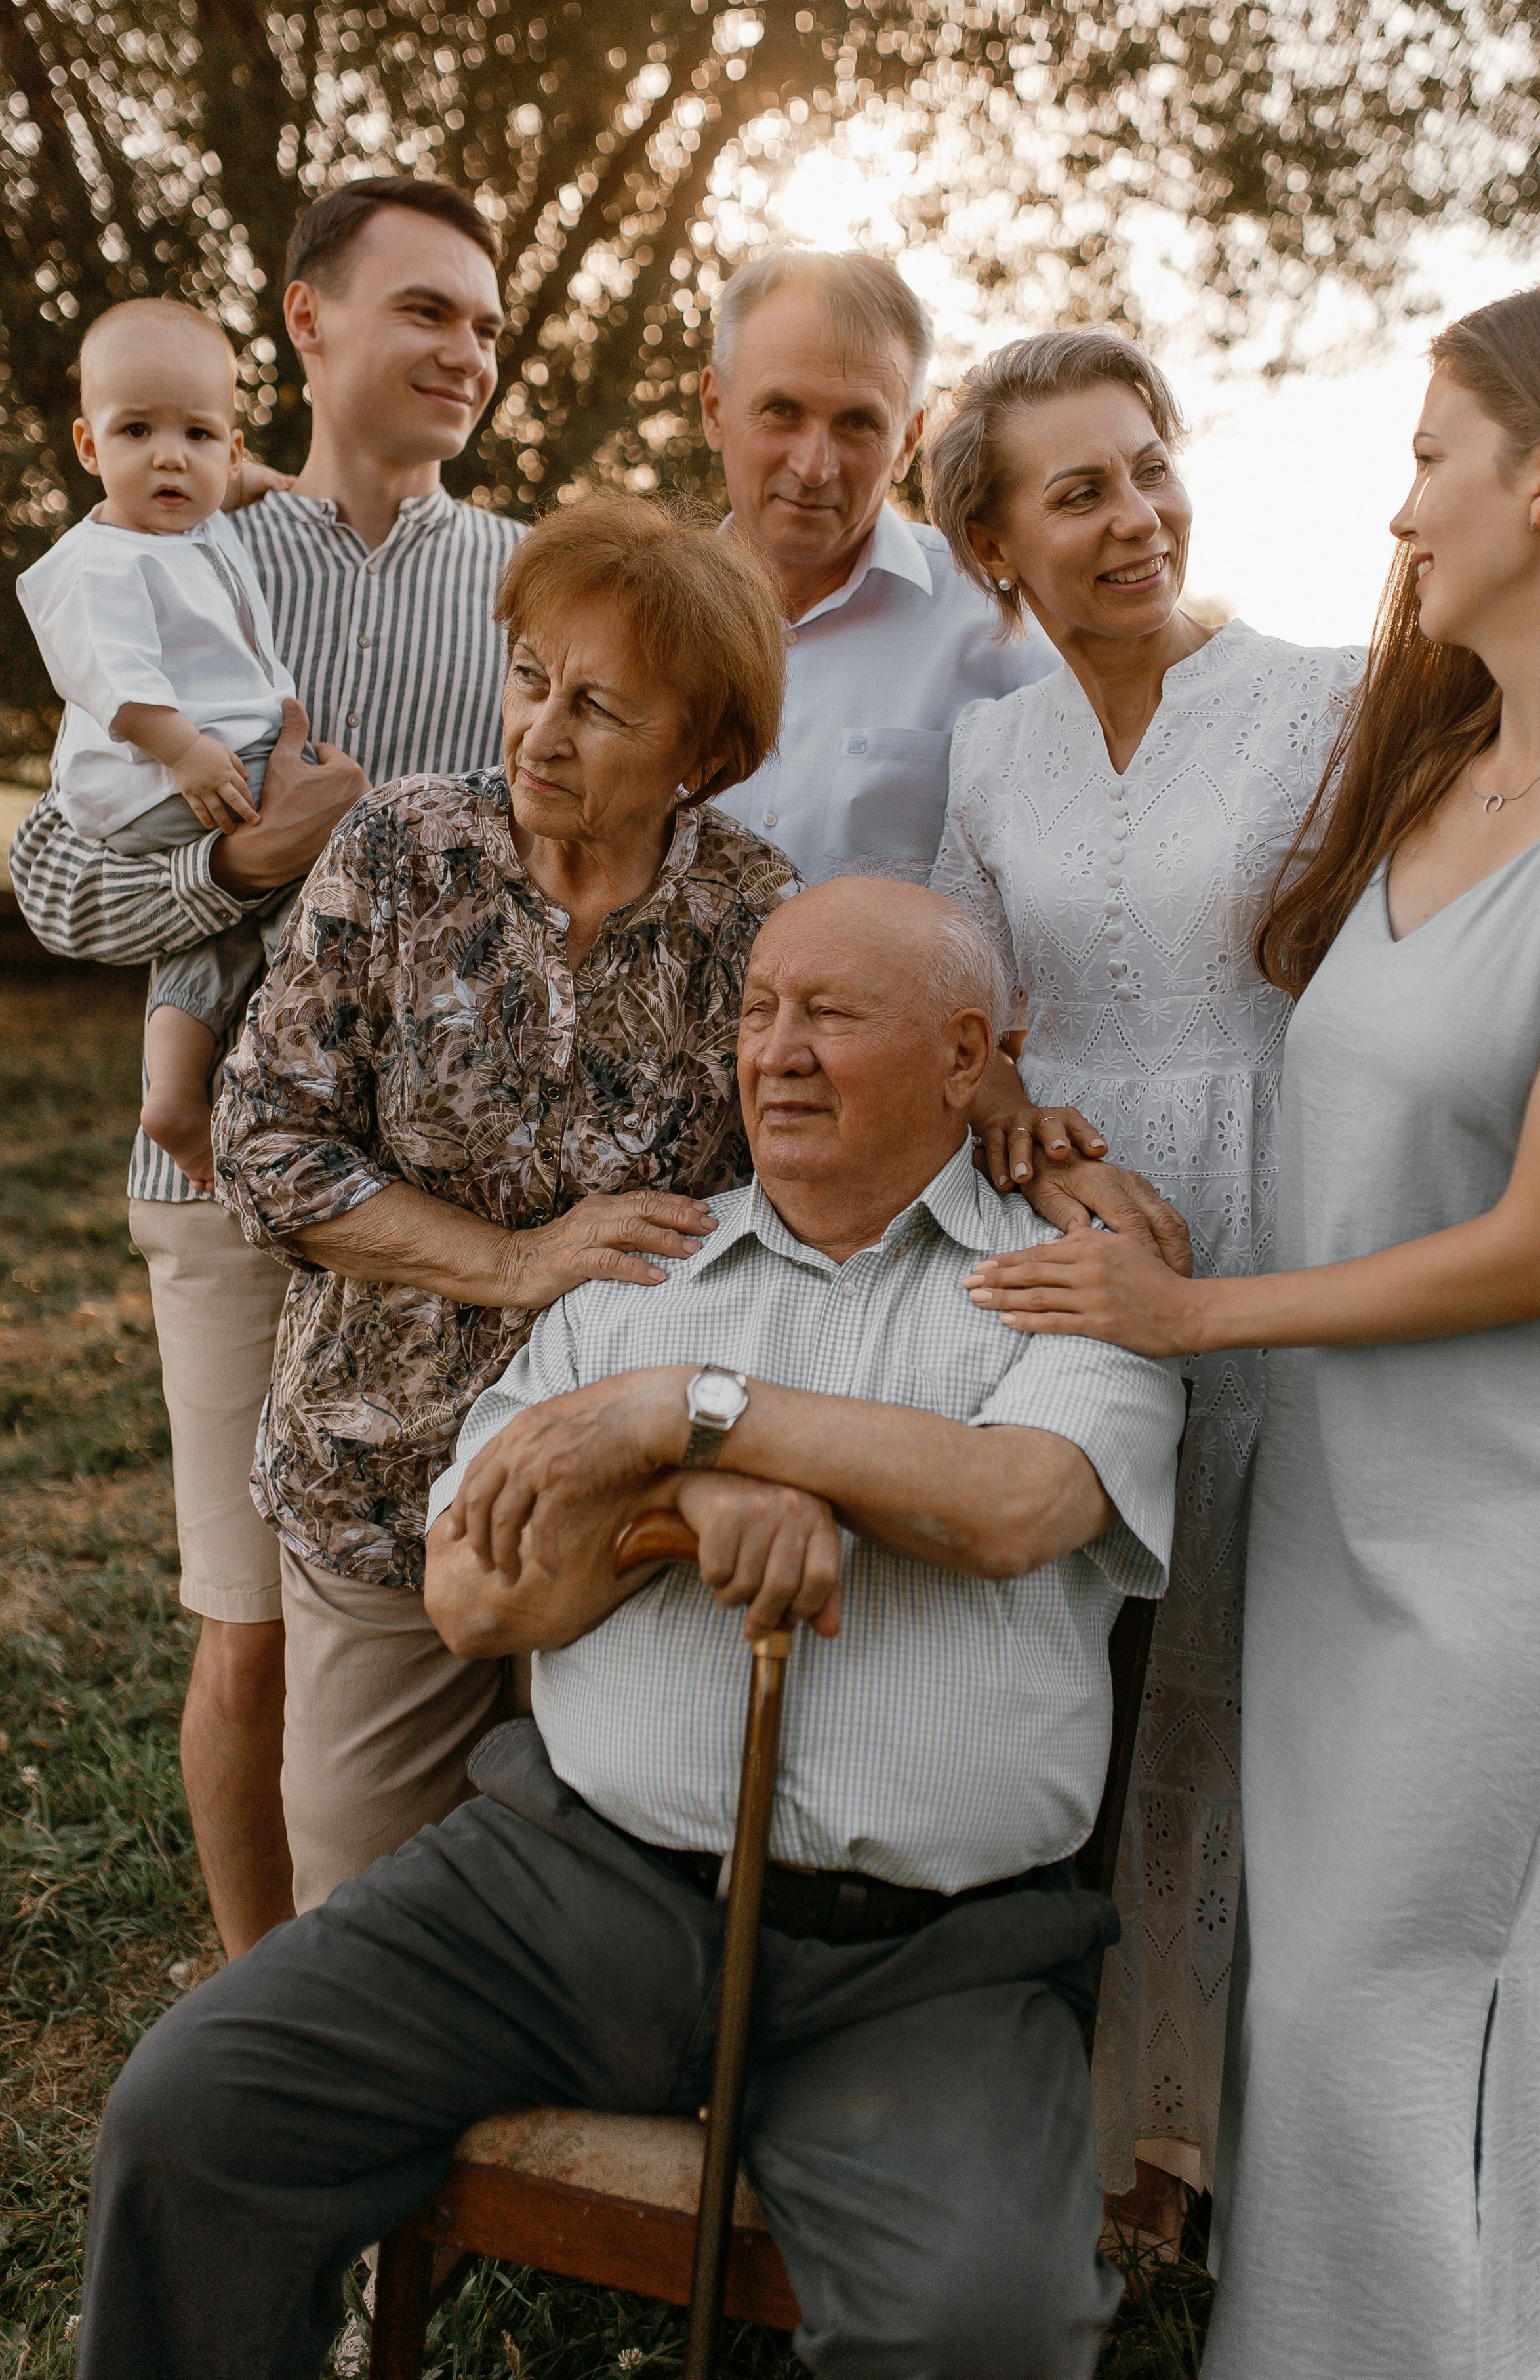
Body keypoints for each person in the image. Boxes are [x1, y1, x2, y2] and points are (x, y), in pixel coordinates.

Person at [77, 878, 1186, 2380]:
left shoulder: (1067, 1284)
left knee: (981, 2324)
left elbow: (1009, 1503)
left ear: (964, 1053)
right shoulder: (638, 1275)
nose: (775, 1052)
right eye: (754, 1011)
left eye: (831, 1014)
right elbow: (473, 1600)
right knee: (195, 2111)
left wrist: (694, 1412)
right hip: (557, 1888)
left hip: (926, 1964)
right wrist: (669, 1511)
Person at [962, 270, 1540, 2379]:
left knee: (1399, 1979)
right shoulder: (1441, 749)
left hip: (1503, 1487)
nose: (1395, 511)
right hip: (1346, 1448)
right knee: (1318, 1981)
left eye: (1427, 458)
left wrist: (1189, 1314)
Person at [8, 174, 521, 1954]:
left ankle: (424, 2016)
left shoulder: (527, 581)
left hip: (452, 1216)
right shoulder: (186, 553)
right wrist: (244, 858)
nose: (464, 347)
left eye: (481, 316)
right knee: (247, 1624)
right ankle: (251, 2009)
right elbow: (58, 877)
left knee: (450, 1611)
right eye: (423, 310)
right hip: (222, 1186)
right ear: (309, 323)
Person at [924, 324, 1362, 2223]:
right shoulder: (987, 744)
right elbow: (965, 998)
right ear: (997, 546)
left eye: (1151, 465)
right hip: (1064, 1230)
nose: (1136, 517)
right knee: (1069, 1646)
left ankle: (1189, 2130)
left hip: (1276, 1198)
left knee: (1242, 1657)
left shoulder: (1323, 697)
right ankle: (1042, 2095)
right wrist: (1012, 1095)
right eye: (1079, 490)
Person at [212, 495, 796, 1911]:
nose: (539, 731)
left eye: (599, 708)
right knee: (356, 1899)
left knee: (589, 1917)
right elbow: (261, 1139)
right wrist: (510, 1260)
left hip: (618, 1509)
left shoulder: (753, 915)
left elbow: (817, 1175)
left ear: (702, 754)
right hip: (380, 1475)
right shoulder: (400, 852)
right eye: (530, 677)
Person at [19, 300, 302, 1191]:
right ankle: (317, 1022)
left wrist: (278, 485)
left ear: (230, 446)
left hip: (205, 765)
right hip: (171, 774)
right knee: (333, 852)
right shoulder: (101, 561)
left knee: (215, 932)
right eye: (137, 430)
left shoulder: (195, 517)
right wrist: (183, 751)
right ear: (89, 447)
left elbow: (232, 487)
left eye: (197, 433)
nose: (169, 455)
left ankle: (176, 1092)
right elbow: (115, 680)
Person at [699, 247, 1059, 882]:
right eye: (782, 411)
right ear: (713, 409)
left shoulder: (1000, 629)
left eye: (858, 423)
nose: (814, 467)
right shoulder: (639, 620)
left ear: (907, 443)